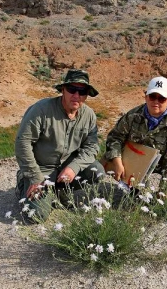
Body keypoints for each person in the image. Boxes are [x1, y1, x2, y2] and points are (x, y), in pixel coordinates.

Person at [15, 69, 106, 221]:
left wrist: (73, 168)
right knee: (36, 216)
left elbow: (92, 146)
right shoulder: (41, 110)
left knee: (97, 171)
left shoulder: (89, 115)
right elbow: (22, 143)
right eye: (72, 89)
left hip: (67, 169)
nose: (76, 95)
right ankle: (23, 183)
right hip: (42, 169)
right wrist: (35, 177)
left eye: (82, 91)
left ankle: (59, 192)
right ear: (63, 90)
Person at [103, 76, 167, 198]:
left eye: (161, 98)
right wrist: (117, 162)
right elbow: (115, 137)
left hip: (165, 161)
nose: (156, 101)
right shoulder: (133, 115)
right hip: (140, 158)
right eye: (152, 96)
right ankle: (134, 190)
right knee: (135, 197)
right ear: (146, 96)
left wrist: (163, 193)